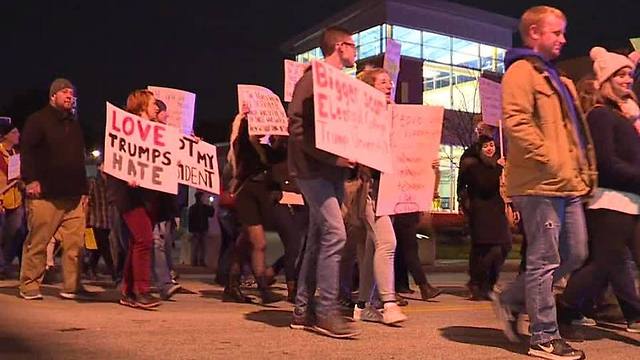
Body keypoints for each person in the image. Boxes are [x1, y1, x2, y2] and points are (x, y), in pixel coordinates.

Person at [490, 6, 597, 360]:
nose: (563, 39)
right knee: (544, 259)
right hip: (539, 183)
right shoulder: (522, 72)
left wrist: (582, 172)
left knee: (576, 253)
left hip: (566, 183)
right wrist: (551, 160)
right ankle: (544, 337)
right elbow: (516, 122)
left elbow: (577, 135)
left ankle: (510, 299)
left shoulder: (559, 78)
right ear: (534, 32)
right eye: (557, 32)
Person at [557, 47, 640, 333]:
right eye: (621, 75)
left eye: (630, 74)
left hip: (632, 202)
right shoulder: (601, 115)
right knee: (601, 265)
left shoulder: (624, 115)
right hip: (610, 203)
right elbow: (606, 163)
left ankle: (631, 314)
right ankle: (564, 309)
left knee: (609, 264)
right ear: (606, 80)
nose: (628, 80)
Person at [288, 26, 360, 338]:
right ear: (340, 47)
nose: (355, 52)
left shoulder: (341, 87)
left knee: (319, 239)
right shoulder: (311, 81)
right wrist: (334, 159)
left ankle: (302, 311)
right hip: (312, 171)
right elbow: (297, 128)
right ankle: (327, 311)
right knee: (336, 233)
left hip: (332, 172)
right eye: (353, 46)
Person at [19, 78, 91, 301]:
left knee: (76, 245)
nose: (70, 96)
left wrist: (85, 190)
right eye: (64, 92)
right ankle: (29, 285)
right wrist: (30, 180)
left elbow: (79, 158)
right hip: (46, 195)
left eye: (72, 93)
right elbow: (27, 151)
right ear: (53, 96)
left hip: (73, 196)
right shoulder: (38, 120)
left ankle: (72, 286)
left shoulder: (75, 124)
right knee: (39, 241)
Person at [346, 67, 407, 325]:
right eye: (383, 82)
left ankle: (362, 305)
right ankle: (389, 303)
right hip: (368, 188)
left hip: (387, 189)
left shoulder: (391, 116)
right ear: (370, 87)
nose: (389, 85)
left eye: (390, 82)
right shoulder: (361, 117)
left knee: (371, 249)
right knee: (387, 243)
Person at [107, 89, 161, 309]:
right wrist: (127, 174)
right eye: (154, 104)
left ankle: (128, 291)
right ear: (142, 107)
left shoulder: (156, 132)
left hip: (146, 196)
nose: (157, 107)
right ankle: (141, 291)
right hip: (129, 196)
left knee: (136, 242)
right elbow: (115, 159)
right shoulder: (125, 132)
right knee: (144, 240)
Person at [458, 135, 511, 300]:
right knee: (485, 251)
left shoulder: (497, 165)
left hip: (497, 211)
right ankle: (478, 283)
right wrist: (498, 169)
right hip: (481, 213)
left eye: (492, 145)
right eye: (486, 146)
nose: (490, 149)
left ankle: (489, 283)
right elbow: (485, 185)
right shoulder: (474, 166)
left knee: (504, 246)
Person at [0, 121, 24, 279]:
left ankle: (4, 263)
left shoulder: (15, 154)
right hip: (2, 197)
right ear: (6, 135)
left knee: (17, 233)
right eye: (14, 132)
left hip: (16, 199)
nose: (18, 135)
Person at [86, 161, 115, 281]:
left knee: (98, 248)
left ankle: (89, 268)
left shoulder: (112, 183)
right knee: (105, 248)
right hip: (96, 220)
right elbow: (87, 201)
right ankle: (114, 274)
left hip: (109, 220)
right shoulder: (93, 182)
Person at [188, 191, 214, 267]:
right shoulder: (196, 208)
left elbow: (211, 214)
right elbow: (190, 219)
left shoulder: (194, 208)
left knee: (200, 246)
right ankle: (197, 261)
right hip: (198, 229)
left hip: (200, 229)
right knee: (200, 246)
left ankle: (196, 261)